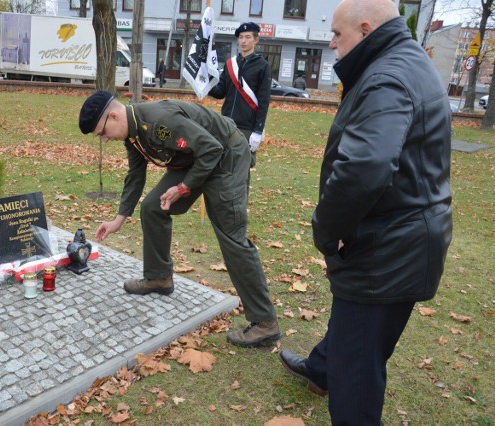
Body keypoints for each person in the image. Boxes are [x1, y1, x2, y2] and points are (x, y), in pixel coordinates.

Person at [278, 0, 453, 424]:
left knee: (358, 373)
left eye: (338, 35)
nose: (333, 44)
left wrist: (326, 228)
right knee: (357, 332)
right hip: (404, 236)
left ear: (366, 28)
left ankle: (334, 376)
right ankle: (322, 370)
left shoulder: (387, 77)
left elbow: (366, 166)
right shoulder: (405, 60)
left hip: (387, 247)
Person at [79, 91, 281, 348]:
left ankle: (265, 323)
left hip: (225, 155)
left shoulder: (159, 121)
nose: (105, 139)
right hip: (197, 157)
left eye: (102, 133)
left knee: (231, 236)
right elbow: (135, 174)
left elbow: (212, 149)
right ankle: (159, 277)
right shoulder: (133, 134)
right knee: (152, 207)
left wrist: (184, 187)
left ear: (114, 115)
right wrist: (119, 219)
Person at [208, 22, 271, 167]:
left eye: (247, 37)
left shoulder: (263, 66)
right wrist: (206, 85)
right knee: (222, 167)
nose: (243, 41)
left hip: (247, 128)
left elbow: (264, 101)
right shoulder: (230, 64)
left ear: (256, 40)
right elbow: (220, 92)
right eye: (241, 37)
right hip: (226, 123)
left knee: (241, 171)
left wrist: (258, 131)